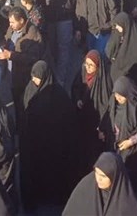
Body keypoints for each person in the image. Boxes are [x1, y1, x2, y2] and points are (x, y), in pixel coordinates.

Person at [19, 60, 79, 209]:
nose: (34, 81)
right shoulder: (30, 89)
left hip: (52, 144)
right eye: (33, 77)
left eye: (37, 78)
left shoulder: (58, 96)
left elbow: (67, 121)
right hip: (34, 142)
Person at [72, 50, 114, 173]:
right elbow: (75, 88)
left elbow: (105, 106)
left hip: (94, 125)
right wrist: (78, 99)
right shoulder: (82, 73)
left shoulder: (103, 82)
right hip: (81, 119)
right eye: (86, 64)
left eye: (91, 65)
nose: (88, 67)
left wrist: (102, 127)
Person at [63, 151, 137, 216]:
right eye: (96, 173)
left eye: (103, 176)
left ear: (114, 177)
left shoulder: (126, 202)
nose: (98, 179)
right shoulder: (85, 188)